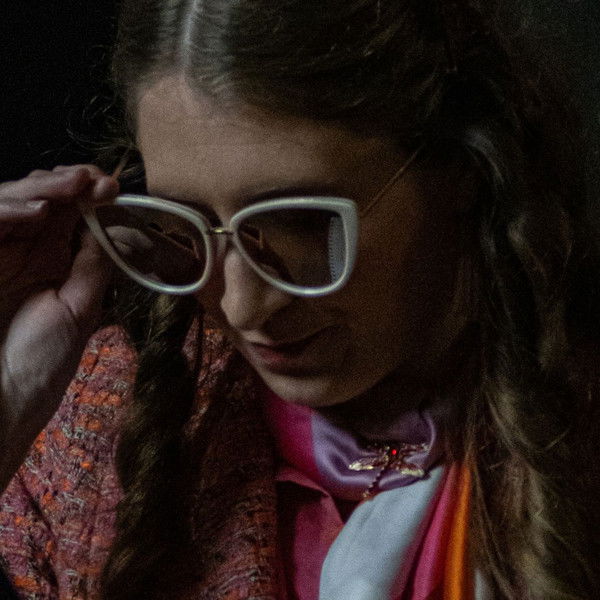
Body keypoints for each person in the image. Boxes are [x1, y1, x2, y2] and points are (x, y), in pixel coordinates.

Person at [0, 0, 598, 598]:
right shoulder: (90, 438)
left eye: (304, 225)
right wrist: (11, 397)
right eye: (185, 223)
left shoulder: (576, 436)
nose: (243, 307)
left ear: (458, 169)